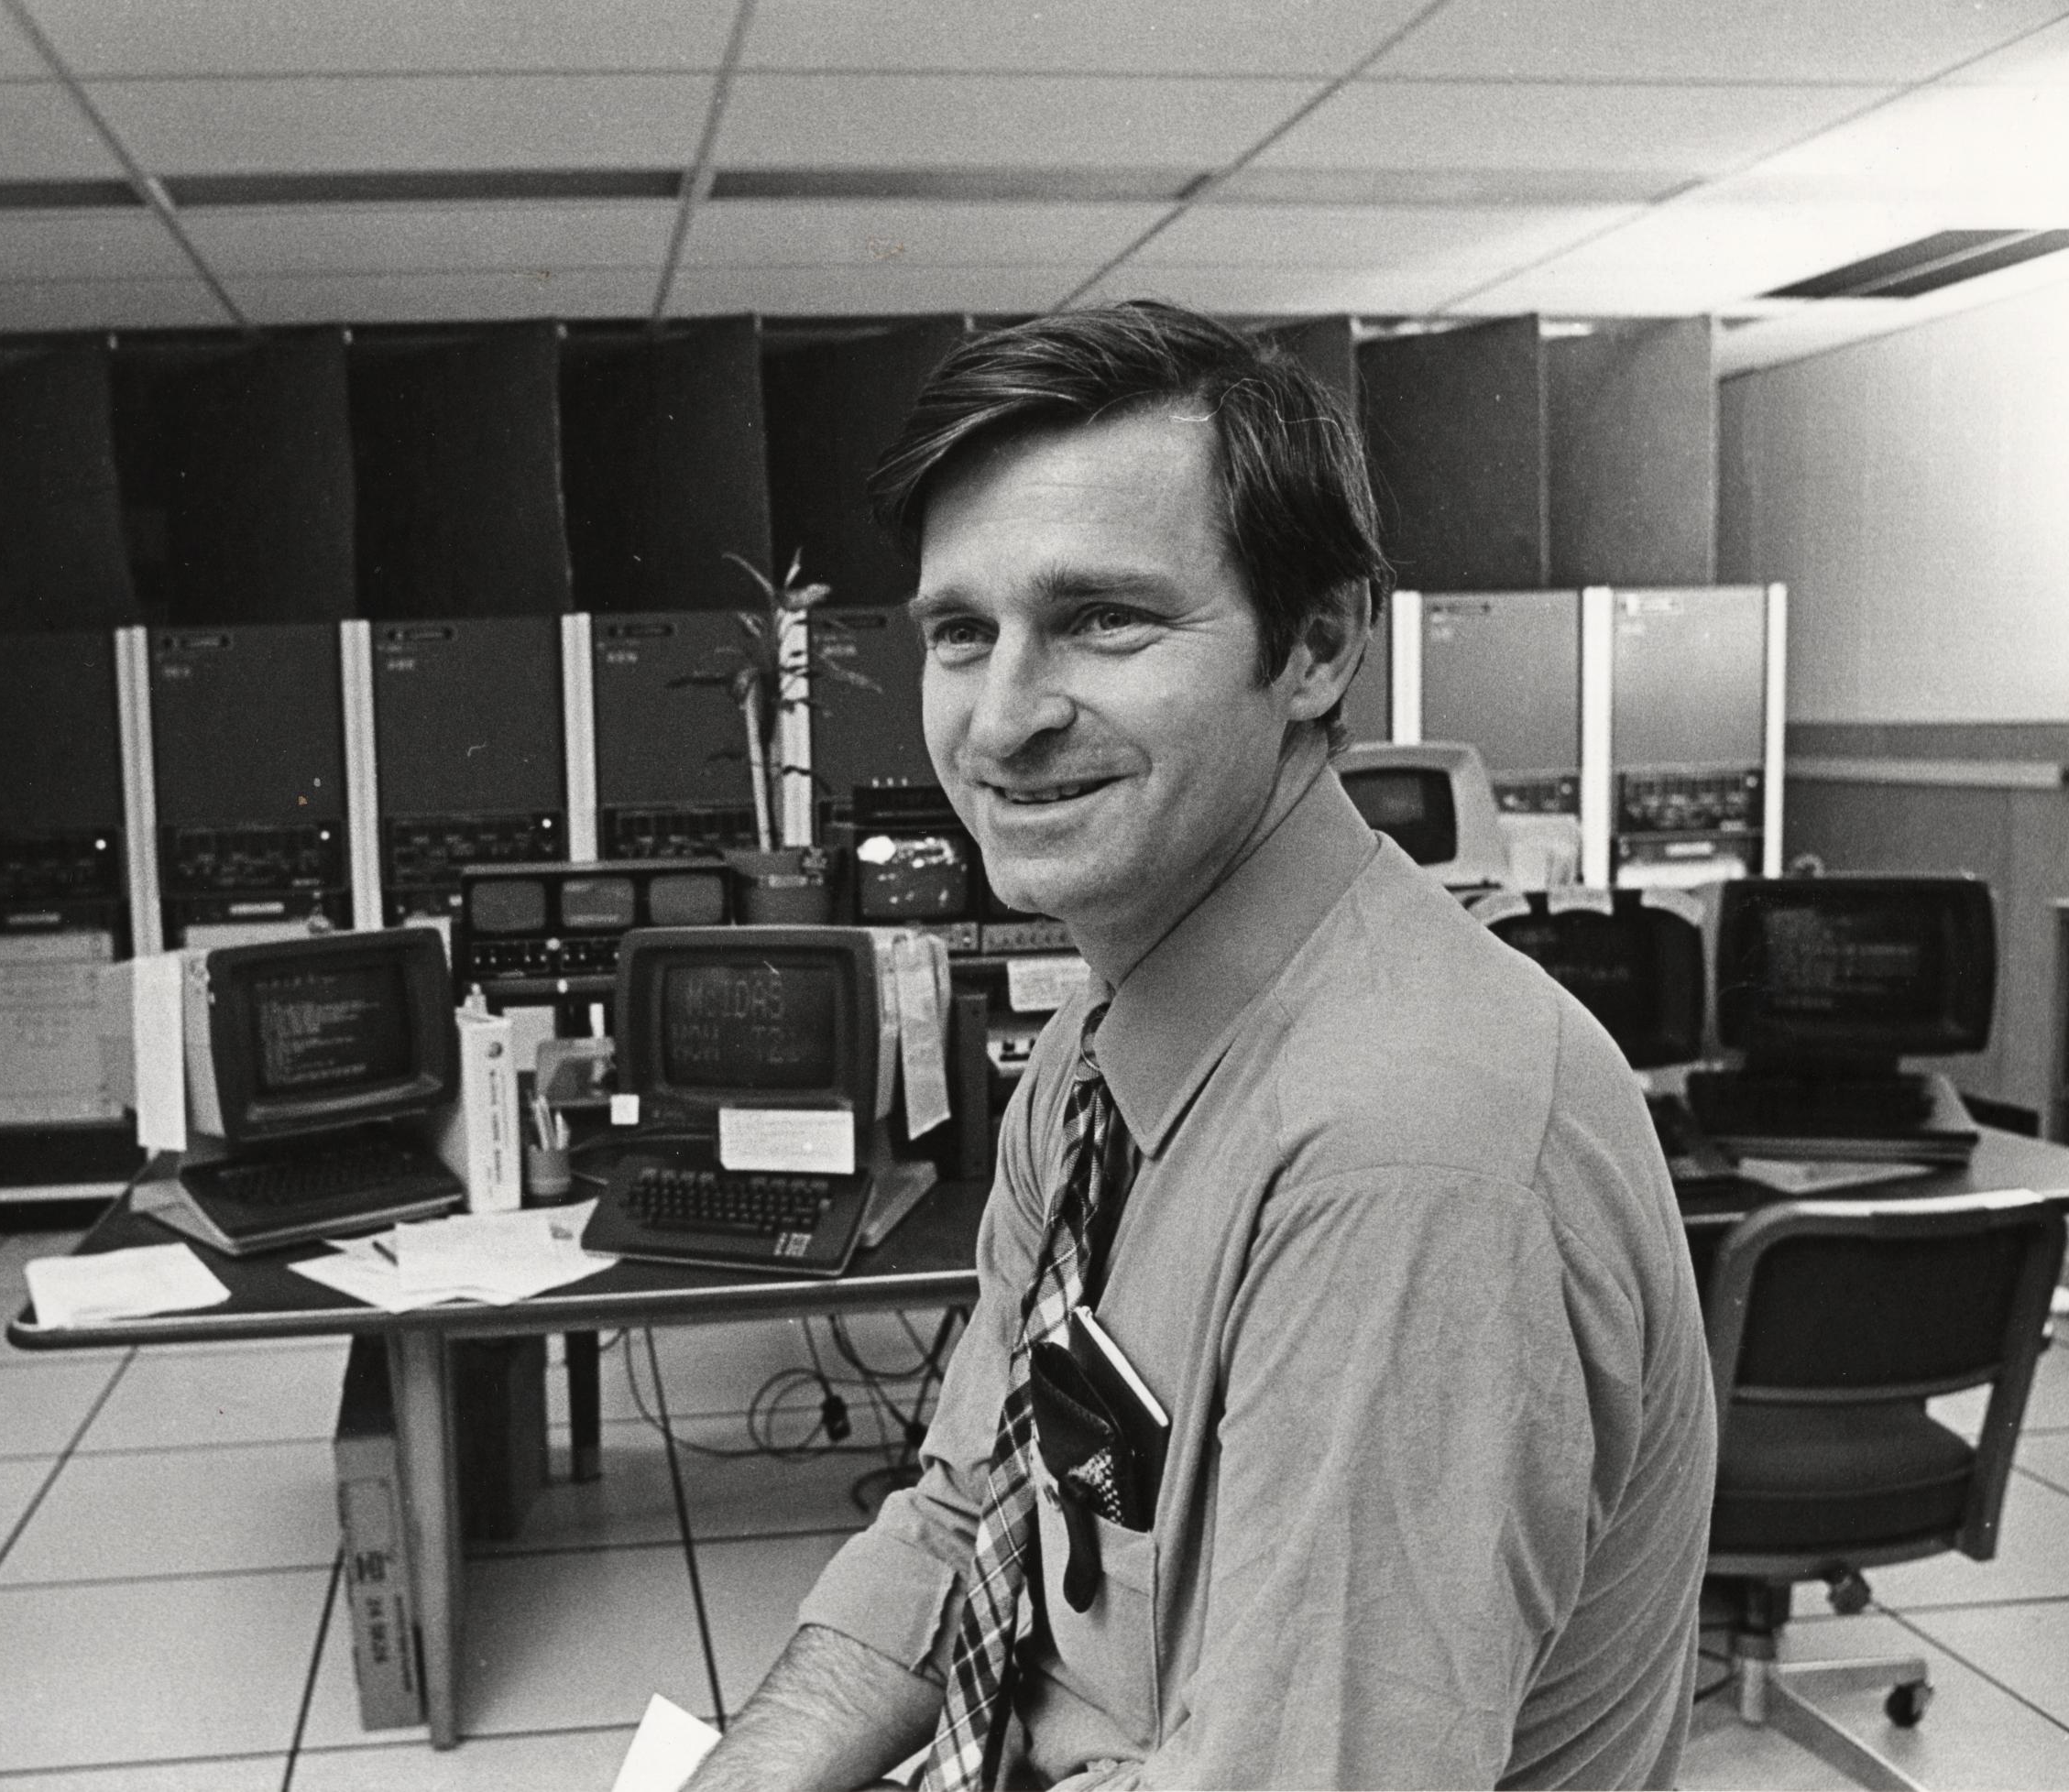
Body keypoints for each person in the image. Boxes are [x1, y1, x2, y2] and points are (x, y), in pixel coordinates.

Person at [684, 301, 1716, 1791]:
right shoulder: (1100, 1054)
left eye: (1104, 618)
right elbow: (970, 1511)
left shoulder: (1408, 1158)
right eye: (962, 635)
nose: (1005, 718)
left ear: (1318, 644)